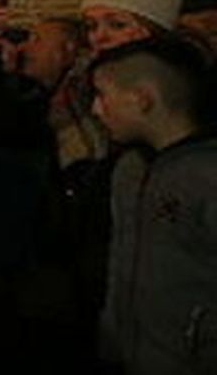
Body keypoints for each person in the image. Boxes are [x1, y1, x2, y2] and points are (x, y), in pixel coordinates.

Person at [91, 37, 217, 375]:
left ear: (142, 98)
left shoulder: (206, 176)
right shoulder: (130, 169)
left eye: (103, 95)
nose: (95, 109)